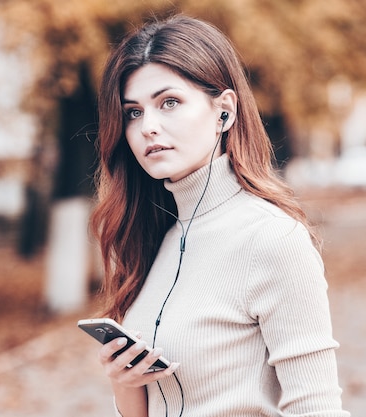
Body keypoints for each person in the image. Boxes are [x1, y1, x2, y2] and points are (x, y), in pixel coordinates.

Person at [88, 14, 349, 417]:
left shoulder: (272, 238)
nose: (148, 127)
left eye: (169, 102)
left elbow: (317, 408)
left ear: (224, 111)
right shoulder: (156, 237)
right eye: (133, 112)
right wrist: (125, 384)